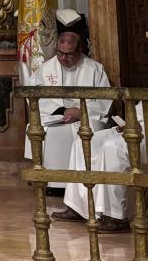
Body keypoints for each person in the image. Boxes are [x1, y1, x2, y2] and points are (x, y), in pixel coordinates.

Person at [53, 71, 148, 233]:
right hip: (138, 128)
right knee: (84, 142)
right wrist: (131, 123)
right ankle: (79, 207)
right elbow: (142, 108)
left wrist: (140, 128)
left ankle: (115, 215)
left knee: (113, 147)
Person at [24, 10, 112, 177]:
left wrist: (80, 112)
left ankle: (81, 180)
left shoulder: (95, 69)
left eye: (69, 54)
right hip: (56, 116)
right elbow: (34, 96)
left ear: (80, 50)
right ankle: (50, 180)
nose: (63, 58)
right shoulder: (46, 69)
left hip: (85, 117)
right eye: (60, 53)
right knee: (45, 129)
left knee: (86, 131)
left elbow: (104, 101)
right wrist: (62, 111)